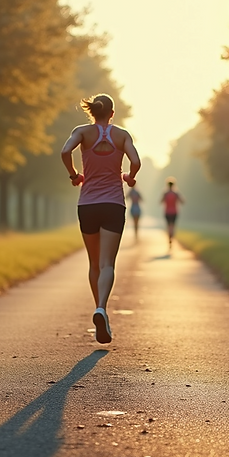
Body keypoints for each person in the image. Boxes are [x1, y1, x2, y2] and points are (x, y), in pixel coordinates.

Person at [60, 93, 141, 344]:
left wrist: (74, 175)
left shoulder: (82, 132)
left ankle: (99, 310)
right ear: (112, 114)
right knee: (108, 264)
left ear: (92, 113)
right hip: (113, 204)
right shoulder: (122, 135)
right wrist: (129, 176)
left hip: (87, 205)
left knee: (94, 264)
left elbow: (65, 151)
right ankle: (102, 309)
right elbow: (135, 161)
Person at [161, 178, 184, 247]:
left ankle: (169, 238)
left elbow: (161, 201)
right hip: (174, 212)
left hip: (167, 212)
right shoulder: (176, 193)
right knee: (173, 226)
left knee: (168, 226)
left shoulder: (165, 193)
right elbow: (182, 201)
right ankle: (171, 237)